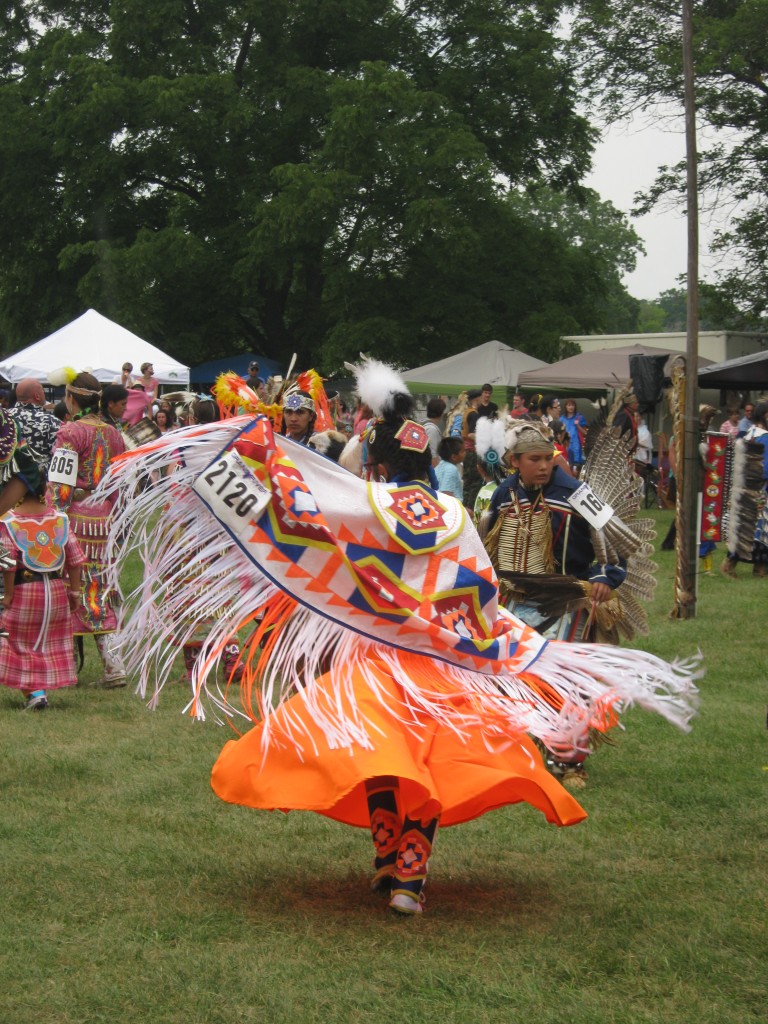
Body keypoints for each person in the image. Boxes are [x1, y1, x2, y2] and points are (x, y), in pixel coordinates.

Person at [104, 359, 698, 918]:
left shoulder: (368, 504)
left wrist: (250, 447)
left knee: (384, 763)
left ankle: (393, 864)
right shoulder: (457, 514)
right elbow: (480, 590)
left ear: (381, 464)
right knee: (427, 764)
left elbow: (301, 517)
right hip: (442, 664)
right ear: (430, 460)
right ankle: (409, 873)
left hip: (378, 661)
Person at [481, 421, 633, 784]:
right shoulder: (503, 495)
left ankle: (567, 762)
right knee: (510, 678)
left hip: (568, 600)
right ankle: (515, 754)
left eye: (548, 458)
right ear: (515, 461)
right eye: (535, 459)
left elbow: (617, 542)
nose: (545, 466)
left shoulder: (577, 493)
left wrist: (603, 576)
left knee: (565, 682)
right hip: (516, 601)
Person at [47, 370, 127, 687]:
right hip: (105, 517)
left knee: (72, 587)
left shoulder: (69, 432)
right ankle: (112, 664)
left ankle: (69, 669)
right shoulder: (114, 434)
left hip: (76, 518)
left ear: (70, 398)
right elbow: (121, 482)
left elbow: (60, 483)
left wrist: (54, 516)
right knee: (101, 587)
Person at [0, 437, 85, 711]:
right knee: (46, 641)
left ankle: (34, 692)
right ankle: (40, 692)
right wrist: (75, 591)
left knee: (16, 641)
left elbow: (9, 562)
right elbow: (74, 559)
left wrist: (8, 594)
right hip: (57, 591)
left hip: (25, 591)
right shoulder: (59, 519)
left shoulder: (9, 522)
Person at [721, 400, 768, 578]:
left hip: (743, 488)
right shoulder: (765, 438)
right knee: (760, 529)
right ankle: (750, 567)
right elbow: (765, 467)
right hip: (760, 488)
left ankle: (758, 567)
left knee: (744, 528)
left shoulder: (747, 434)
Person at [10, 378, 61, 472]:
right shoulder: (50, 421)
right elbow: (60, 456)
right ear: (37, 396)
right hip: (38, 482)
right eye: (42, 390)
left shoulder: (4, 417)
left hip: (6, 480)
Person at [434, 436, 464, 501]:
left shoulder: (439, 466)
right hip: (452, 508)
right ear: (454, 457)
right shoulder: (451, 469)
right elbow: (446, 493)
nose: (465, 453)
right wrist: (463, 508)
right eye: (462, 451)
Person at [561, 398, 588, 470]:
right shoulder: (561, 419)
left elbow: (585, 433)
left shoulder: (579, 417)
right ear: (565, 406)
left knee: (575, 472)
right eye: (569, 405)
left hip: (577, 449)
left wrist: (578, 425)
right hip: (565, 448)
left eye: (572, 405)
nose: (571, 407)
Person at [422, 397, 446, 463]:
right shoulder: (431, 429)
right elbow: (432, 454)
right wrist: (435, 472)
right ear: (441, 413)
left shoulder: (424, 423)